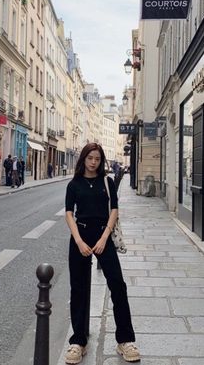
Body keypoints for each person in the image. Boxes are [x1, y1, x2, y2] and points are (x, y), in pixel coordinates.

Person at [64, 143, 140, 364]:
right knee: (77, 289)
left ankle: (125, 340)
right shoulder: (74, 184)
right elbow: (69, 213)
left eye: (97, 158)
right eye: (90, 158)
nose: (93, 162)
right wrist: (78, 240)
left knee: (117, 284)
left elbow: (114, 209)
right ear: (84, 159)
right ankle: (78, 342)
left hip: (103, 237)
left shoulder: (107, 182)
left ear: (101, 160)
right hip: (81, 236)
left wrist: (104, 237)